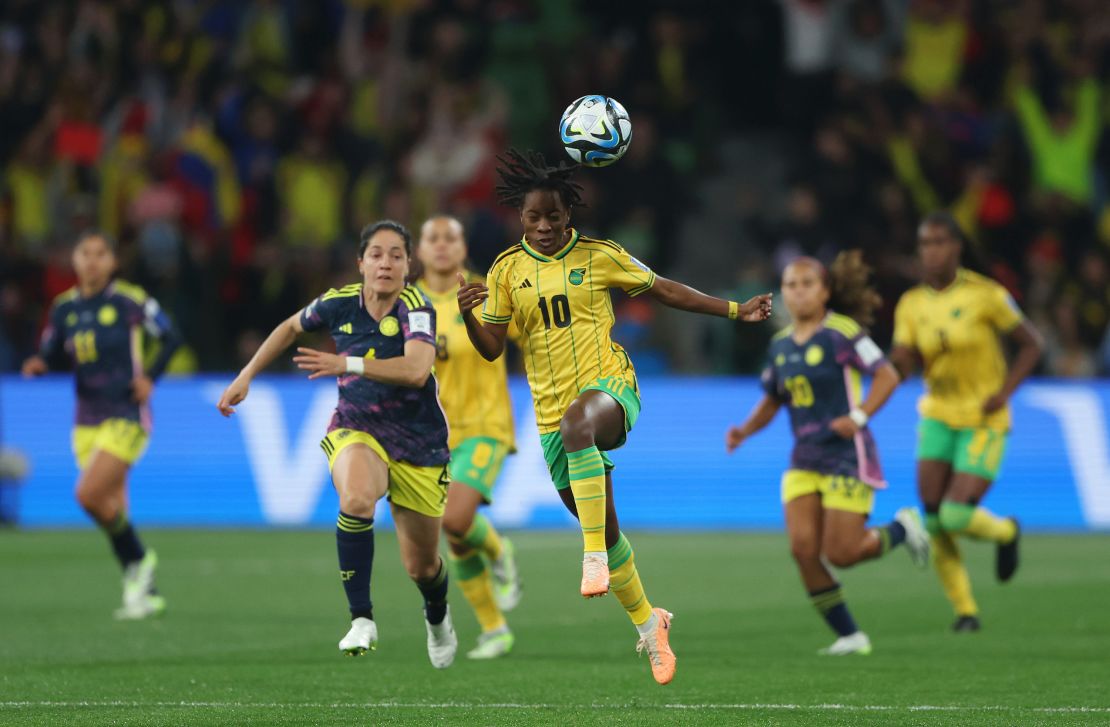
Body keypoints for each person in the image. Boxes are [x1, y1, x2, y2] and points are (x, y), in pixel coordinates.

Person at [456, 149, 773, 685]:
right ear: (521, 219)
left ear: (568, 217)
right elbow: (491, 348)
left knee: (581, 427)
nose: (544, 227)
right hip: (549, 415)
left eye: (553, 218)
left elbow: (667, 290)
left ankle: (591, 557)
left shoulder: (599, 255)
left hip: (609, 389)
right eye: (533, 218)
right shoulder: (507, 270)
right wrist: (468, 312)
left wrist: (735, 309)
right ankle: (651, 625)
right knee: (607, 526)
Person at [217, 220, 458, 667]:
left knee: (422, 567)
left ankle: (438, 615)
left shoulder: (417, 308)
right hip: (356, 425)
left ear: (408, 266)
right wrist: (246, 375)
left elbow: (416, 371)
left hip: (419, 442)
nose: (386, 263)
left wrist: (347, 361)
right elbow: (290, 327)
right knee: (357, 497)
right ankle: (361, 618)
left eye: (396, 255)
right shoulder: (338, 303)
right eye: (377, 254)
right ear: (361, 263)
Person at [725, 252, 930, 655]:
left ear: (825, 291)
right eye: (790, 286)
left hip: (847, 455)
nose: (798, 293)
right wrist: (744, 431)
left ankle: (902, 529)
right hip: (804, 458)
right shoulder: (780, 345)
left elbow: (887, 375)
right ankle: (850, 635)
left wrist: (858, 415)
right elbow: (773, 400)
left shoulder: (843, 333)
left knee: (842, 553)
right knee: (803, 550)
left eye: (807, 285)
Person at [890, 212, 1043, 632]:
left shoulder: (986, 294)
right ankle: (965, 611)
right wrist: (885, 365)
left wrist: (1005, 392)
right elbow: (902, 358)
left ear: (956, 246)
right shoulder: (911, 303)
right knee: (936, 519)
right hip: (937, 414)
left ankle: (1006, 533)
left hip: (983, 418)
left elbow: (1032, 344)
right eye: (924, 243)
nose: (931, 251)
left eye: (939, 242)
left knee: (956, 516)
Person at [22, 231, 181, 620]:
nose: (92, 261)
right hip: (85, 419)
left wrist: (150, 379)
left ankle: (140, 560)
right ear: (74, 260)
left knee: (88, 495)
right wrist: (40, 362)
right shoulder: (63, 308)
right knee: (111, 506)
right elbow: (51, 347)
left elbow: (171, 337)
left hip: (126, 412)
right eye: (84, 253)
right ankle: (143, 590)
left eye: (100, 254)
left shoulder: (130, 300)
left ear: (112, 262)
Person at [414, 215, 523, 660]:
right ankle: (495, 629)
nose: (441, 246)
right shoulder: (406, 304)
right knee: (456, 539)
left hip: (485, 426)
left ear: (463, 248)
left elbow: (531, 335)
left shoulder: (486, 292)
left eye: (450, 238)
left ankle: (501, 550)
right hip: (431, 436)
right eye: (432, 239)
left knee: (454, 521)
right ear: (419, 251)